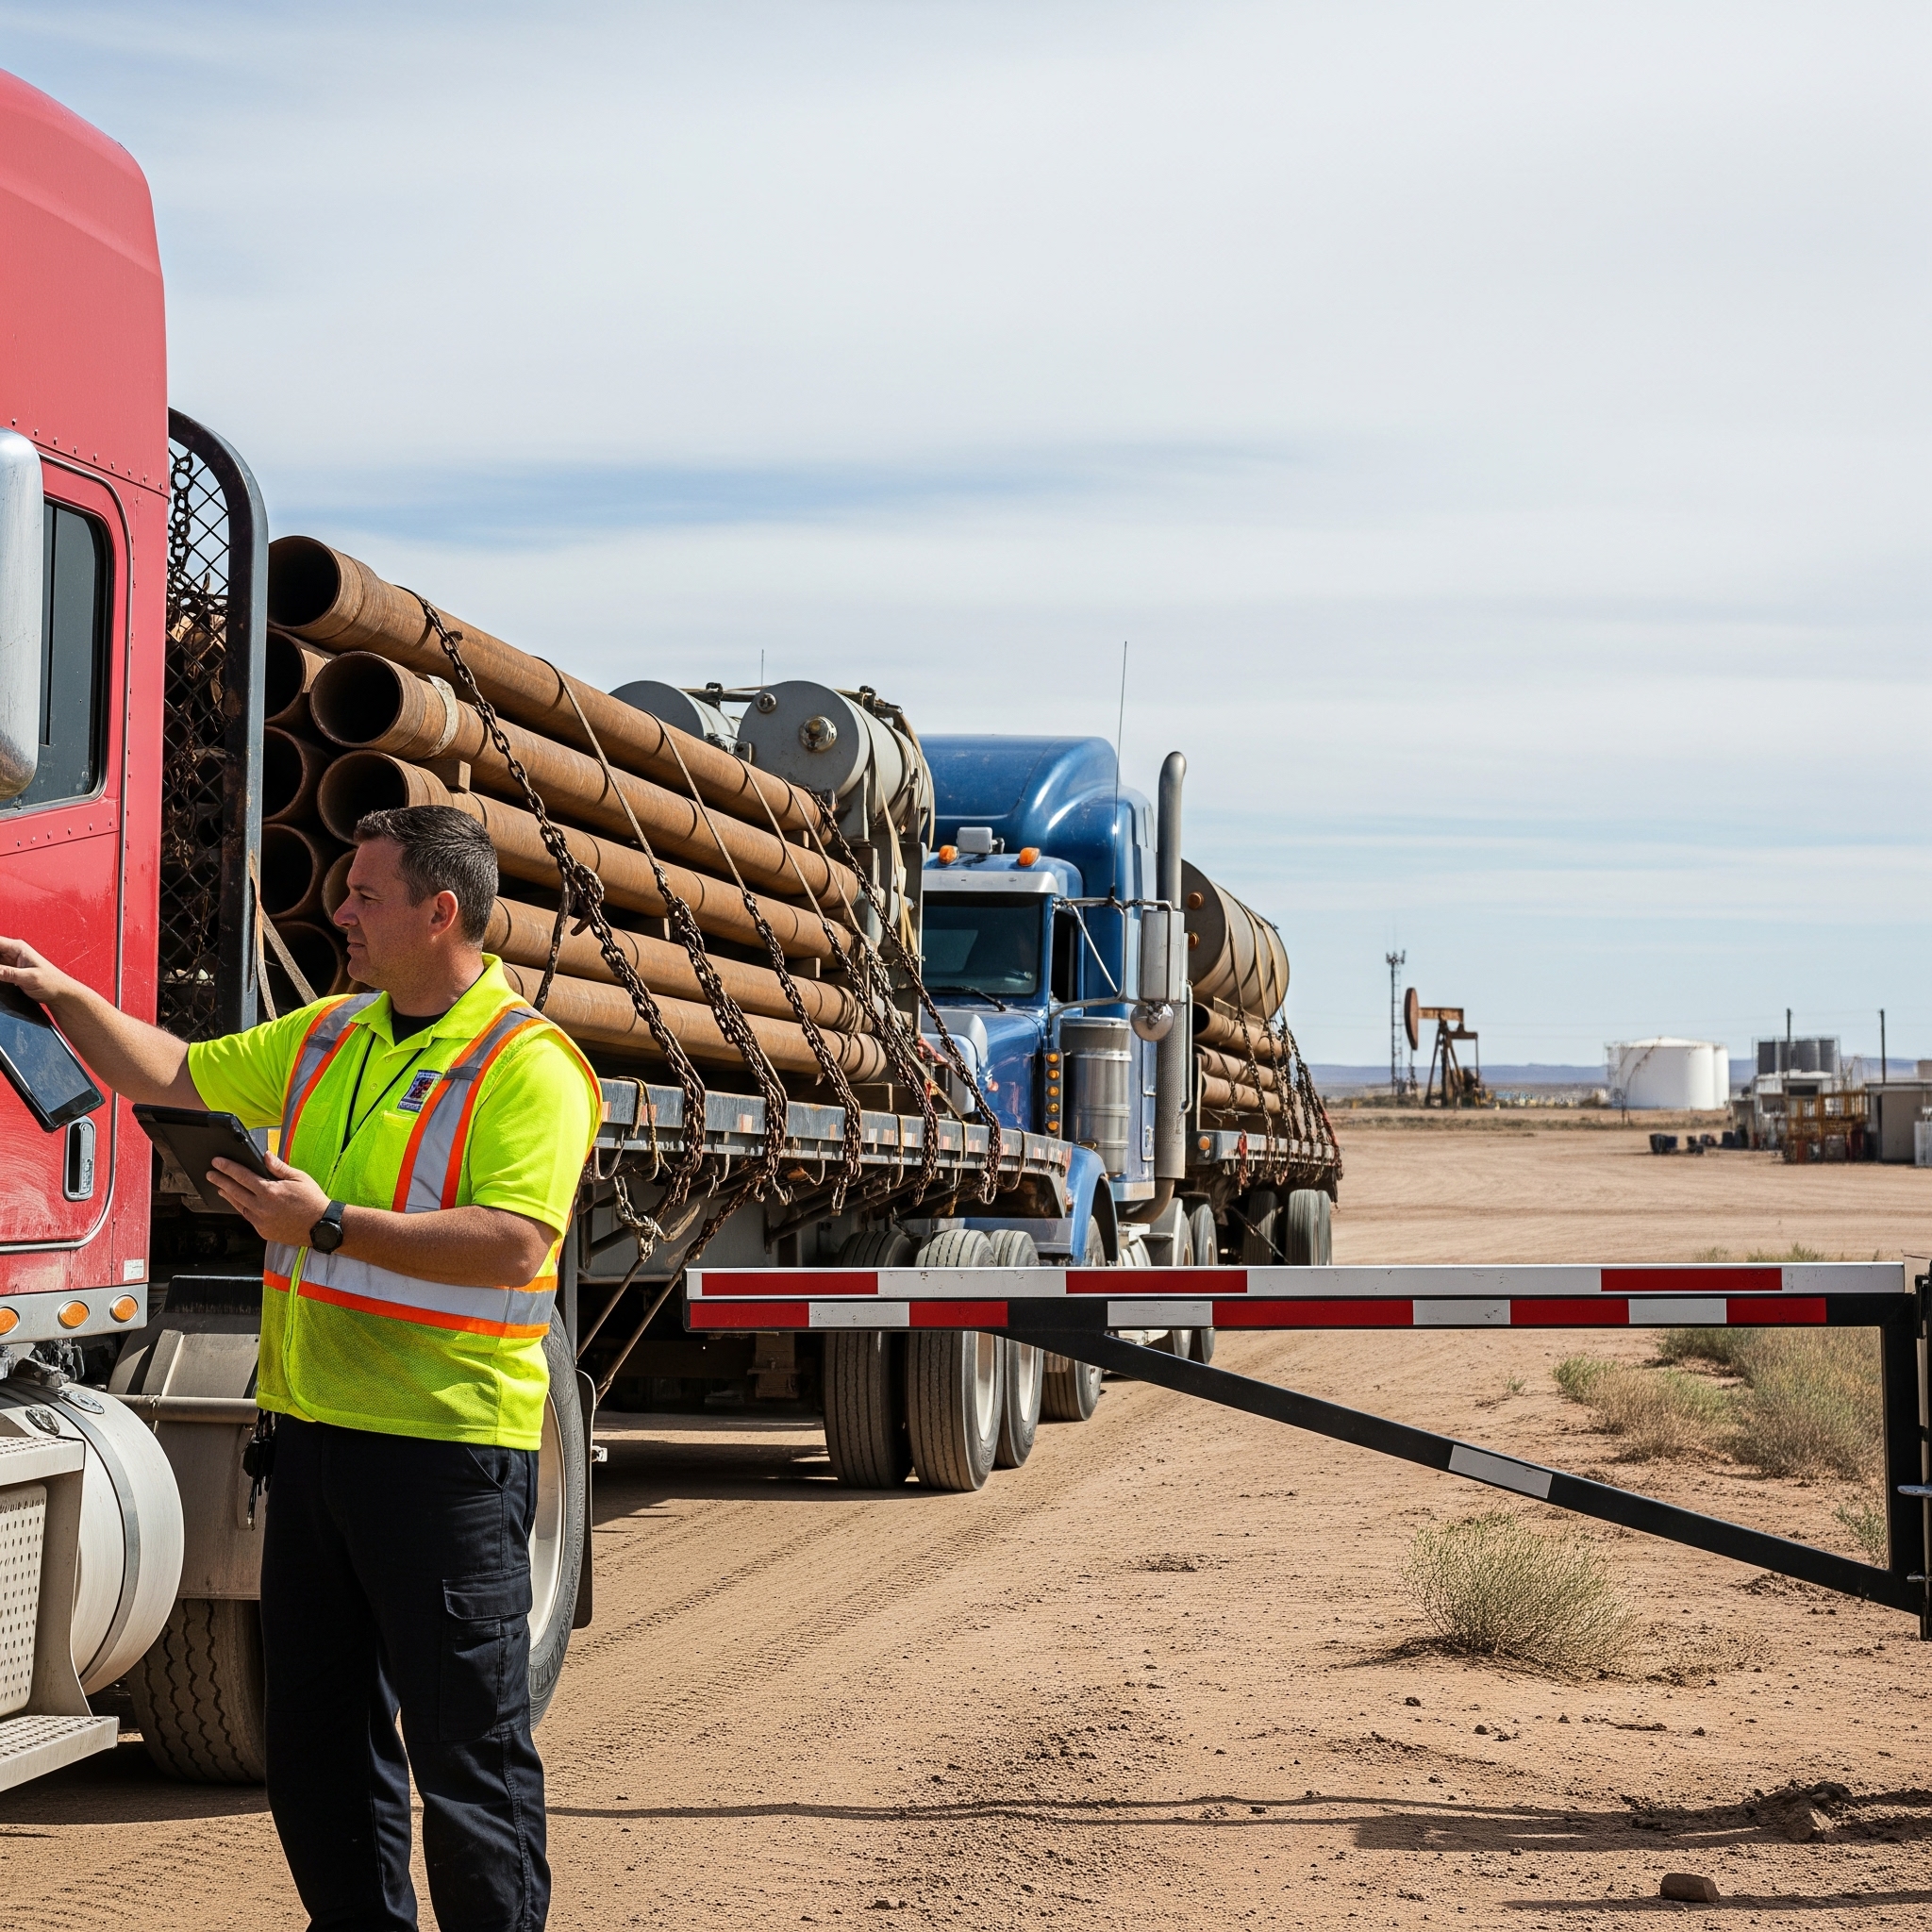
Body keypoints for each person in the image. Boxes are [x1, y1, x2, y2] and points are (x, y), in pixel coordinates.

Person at [0, 805, 601, 1932]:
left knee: (465, 1760)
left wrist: (326, 1223)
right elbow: (177, 1070)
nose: (339, 912)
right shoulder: (330, 1032)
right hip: (314, 1445)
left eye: (364, 894)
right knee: (319, 1750)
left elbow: (516, 1239)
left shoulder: (531, 1065)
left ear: (442, 910)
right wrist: (62, 996)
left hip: (445, 1456)